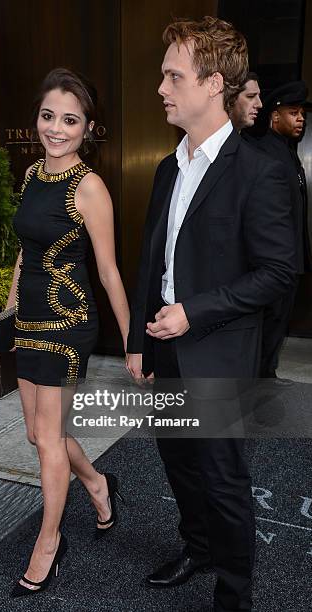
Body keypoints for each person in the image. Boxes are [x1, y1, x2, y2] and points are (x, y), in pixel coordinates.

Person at [126, 16, 296, 612]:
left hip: (218, 347)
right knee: (176, 459)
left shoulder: (261, 171)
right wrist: (138, 341)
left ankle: (234, 594)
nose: (162, 87)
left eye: (173, 75)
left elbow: (279, 273)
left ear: (212, 83)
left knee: (223, 479)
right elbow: (153, 259)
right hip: (164, 344)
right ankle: (197, 549)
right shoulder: (168, 167)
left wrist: (192, 314)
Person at [6, 68, 129, 597]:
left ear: (88, 128)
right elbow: (25, 248)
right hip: (29, 319)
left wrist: (134, 341)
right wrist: (11, 301)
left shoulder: (90, 187)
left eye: (69, 120)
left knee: (48, 442)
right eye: (48, 115)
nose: (56, 128)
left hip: (66, 323)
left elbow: (109, 271)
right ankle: (99, 485)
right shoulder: (34, 173)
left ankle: (48, 544)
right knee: (39, 434)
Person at [254, 81, 312, 383]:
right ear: (275, 117)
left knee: (279, 324)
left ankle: (268, 376)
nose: (300, 118)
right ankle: (258, 383)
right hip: (274, 262)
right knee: (268, 324)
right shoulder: (263, 152)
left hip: (290, 260)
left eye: (302, 113)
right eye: (293, 112)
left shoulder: (288, 153)